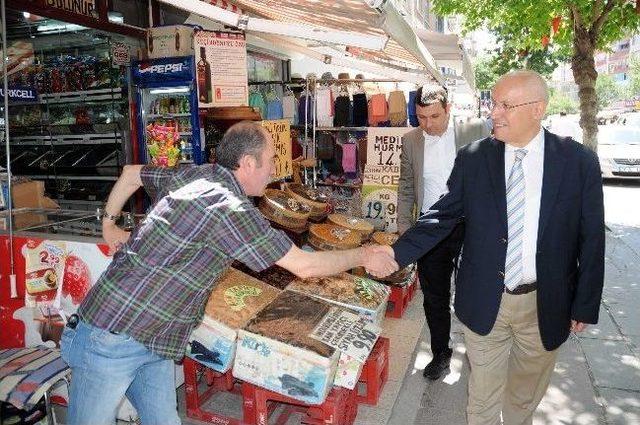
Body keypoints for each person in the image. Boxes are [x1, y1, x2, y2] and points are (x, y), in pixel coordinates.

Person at [60, 121, 398, 425]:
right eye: (270, 162)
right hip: (114, 333)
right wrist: (365, 255)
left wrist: (108, 223)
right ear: (248, 163)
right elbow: (304, 265)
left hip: (156, 337)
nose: (273, 171)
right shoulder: (230, 207)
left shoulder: (196, 173)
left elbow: (133, 172)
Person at [386, 70, 605, 424]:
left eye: (505, 105)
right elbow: (441, 215)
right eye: (493, 103)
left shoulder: (577, 163)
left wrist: (585, 303)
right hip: (486, 297)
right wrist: (395, 252)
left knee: (522, 402)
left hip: (545, 302)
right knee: (482, 402)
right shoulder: (474, 158)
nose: (493, 113)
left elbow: (592, 238)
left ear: (538, 109)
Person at [397, 84, 488, 380]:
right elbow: (407, 187)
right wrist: (404, 231)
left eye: (434, 116)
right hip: (431, 227)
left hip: (470, 226)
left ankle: (481, 351)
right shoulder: (411, 141)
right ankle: (441, 353)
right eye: (421, 117)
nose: (428, 124)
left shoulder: (474, 132)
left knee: (474, 290)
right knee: (434, 296)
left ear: (448, 110)